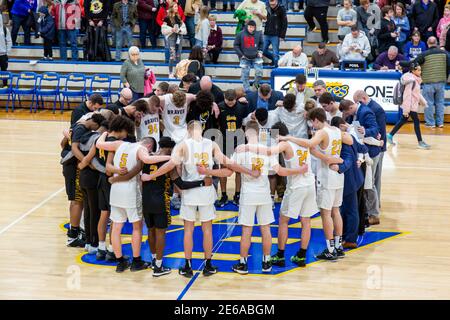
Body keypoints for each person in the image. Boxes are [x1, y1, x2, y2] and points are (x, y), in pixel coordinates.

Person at [141, 120, 259, 277]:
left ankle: (188, 265)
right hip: (206, 191)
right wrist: (249, 172)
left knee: (188, 231)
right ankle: (208, 265)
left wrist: (151, 176)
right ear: (202, 129)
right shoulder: (211, 144)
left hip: (189, 192)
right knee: (207, 231)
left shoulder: (182, 145)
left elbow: (170, 165)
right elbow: (229, 164)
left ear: (189, 131)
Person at [231, 121, 308, 274]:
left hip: (248, 194)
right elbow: (279, 171)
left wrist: (248, 171)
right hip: (265, 194)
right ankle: (266, 263)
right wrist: (299, 170)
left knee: (247, 230)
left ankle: (243, 264)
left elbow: (231, 167)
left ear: (245, 132)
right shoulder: (267, 150)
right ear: (259, 133)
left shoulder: (240, 150)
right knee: (266, 228)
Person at [278, 108, 353, 261]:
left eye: (312, 122)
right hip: (338, 175)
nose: (312, 125)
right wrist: (328, 157)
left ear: (316, 119)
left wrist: (289, 138)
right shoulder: (335, 129)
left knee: (326, 214)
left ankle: (331, 249)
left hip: (326, 176)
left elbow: (309, 143)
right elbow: (351, 140)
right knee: (336, 211)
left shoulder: (322, 132)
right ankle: (338, 246)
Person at [96, 132, 172, 273]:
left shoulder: (120, 143)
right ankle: (136, 261)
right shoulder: (141, 149)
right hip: (130, 191)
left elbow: (99, 144)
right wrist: (170, 157)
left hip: (116, 191)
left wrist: (104, 133)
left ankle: (120, 261)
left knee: (116, 227)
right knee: (136, 228)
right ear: (149, 146)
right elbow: (147, 160)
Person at [339, 97, 381, 226]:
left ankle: (374, 214)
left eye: (347, 113)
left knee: (370, 186)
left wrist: (370, 135)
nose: (348, 116)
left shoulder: (365, 112)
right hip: (363, 155)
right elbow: (359, 136)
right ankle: (368, 213)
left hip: (369, 154)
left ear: (351, 108)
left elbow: (374, 130)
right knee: (365, 187)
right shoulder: (354, 120)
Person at [71, 113, 107, 254]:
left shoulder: (85, 135)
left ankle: (87, 241)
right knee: (94, 212)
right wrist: (93, 166)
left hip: (83, 176)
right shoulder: (97, 139)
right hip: (92, 177)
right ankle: (94, 243)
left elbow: (74, 150)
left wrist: (81, 164)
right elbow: (94, 161)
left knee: (88, 210)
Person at [330, 116, 366, 249]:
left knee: (350, 210)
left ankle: (350, 239)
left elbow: (349, 160)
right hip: (355, 178)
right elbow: (363, 149)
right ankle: (345, 235)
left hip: (350, 179)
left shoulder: (344, 140)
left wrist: (340, 168)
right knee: (347, 209)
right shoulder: (348, 137)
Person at [353, 90, 386, 206]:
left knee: (375, 179)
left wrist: (380, 145)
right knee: (371, 178)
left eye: (357, 102)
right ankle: (373, 204)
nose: (356, 105)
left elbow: (381, 131)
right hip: (369, 146)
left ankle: (376, 205)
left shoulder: (377, 109)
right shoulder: (367, 108)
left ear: (363, 99)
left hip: (377, 148)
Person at [387, 62, 431, 149]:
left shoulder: (415, 79)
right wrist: (406, 110)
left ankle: (390, 135)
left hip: (411, 105)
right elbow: (407, 96)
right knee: (416, 122)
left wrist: (424, 102)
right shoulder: (410, 81)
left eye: (420, 70)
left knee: (403, 120)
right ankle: (420, 142)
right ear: (413, 70)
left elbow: (417, 94)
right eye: (418, 70)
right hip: (409, 106)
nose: (420, 72)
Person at [216, 89, 248, 207]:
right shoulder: (219, 106)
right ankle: (223, 195)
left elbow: (246, 123)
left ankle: (237, 195)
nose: (230, 103)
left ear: (236, 98)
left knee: (239, 169)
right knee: (223, 168)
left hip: (238, 140)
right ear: (224, 98)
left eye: (232, 101)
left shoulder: (242, 106)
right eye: (227, 101)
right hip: (224, 140)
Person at [411, 37, 450, 129]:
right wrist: (445, 76)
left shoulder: (424, 54)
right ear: (436, 43)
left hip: (428, 83)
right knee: (440, 103)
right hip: (441, 82)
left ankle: (430, 123)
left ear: (428, 44)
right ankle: (440, 123)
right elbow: (448, 66)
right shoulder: (445, 53)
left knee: (428, 103)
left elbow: (413, 64)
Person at [234, 20, 264, 92]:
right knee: (245, 75)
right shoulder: (240, 34)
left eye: (253, 27)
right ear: (247, 26)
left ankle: (255, 86)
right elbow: (236, 45)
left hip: (256, 56)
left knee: (259, 73)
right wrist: (241, 55)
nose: (252, 29)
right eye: (250, 27)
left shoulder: (258, 34)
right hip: (245, 58)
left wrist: (260, 51)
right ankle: (247, 91)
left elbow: (262, 43)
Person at [161, 3, 186, 78]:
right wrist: (171, 29)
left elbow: (183, 27)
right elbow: (163, 29)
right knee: (172, 55)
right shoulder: (167, 17)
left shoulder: (178, 17)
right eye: (175, 7)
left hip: (179, 37)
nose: (177, 8)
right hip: (171, 37)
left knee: (178, 55)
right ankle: (170, 72)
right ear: (171, 8)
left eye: (177, 7)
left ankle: (178, 73)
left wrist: (179, 30)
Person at [263, 0, 287, 67]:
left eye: (273, 4)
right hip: (266, 33)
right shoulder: (267, 7)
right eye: (271, 4)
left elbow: (285, 23)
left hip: (276, 35)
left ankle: (276, 67)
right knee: (263, 50)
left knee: (275, 53)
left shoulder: (282, 9)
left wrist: (282, 35)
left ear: (276, 1)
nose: (272, 6)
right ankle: (275, 60)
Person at [0, 14, 12, 87]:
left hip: (3, 55)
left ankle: (5, 84)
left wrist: (7, 52)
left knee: (4, 71)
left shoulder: (5, 29)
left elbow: (9, 41)